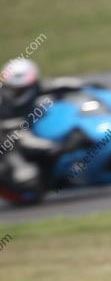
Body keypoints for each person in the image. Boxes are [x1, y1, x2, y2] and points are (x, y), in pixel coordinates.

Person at [0, 58, 89, 191]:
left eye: (18, 91)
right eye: (12, 90)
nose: (14, 94)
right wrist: (53, 147)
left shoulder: (38, 87)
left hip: (40, 128)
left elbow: (62, 84)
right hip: (15, 134)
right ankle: (20, 168)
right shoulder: (4, 103)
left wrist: (83, 85)